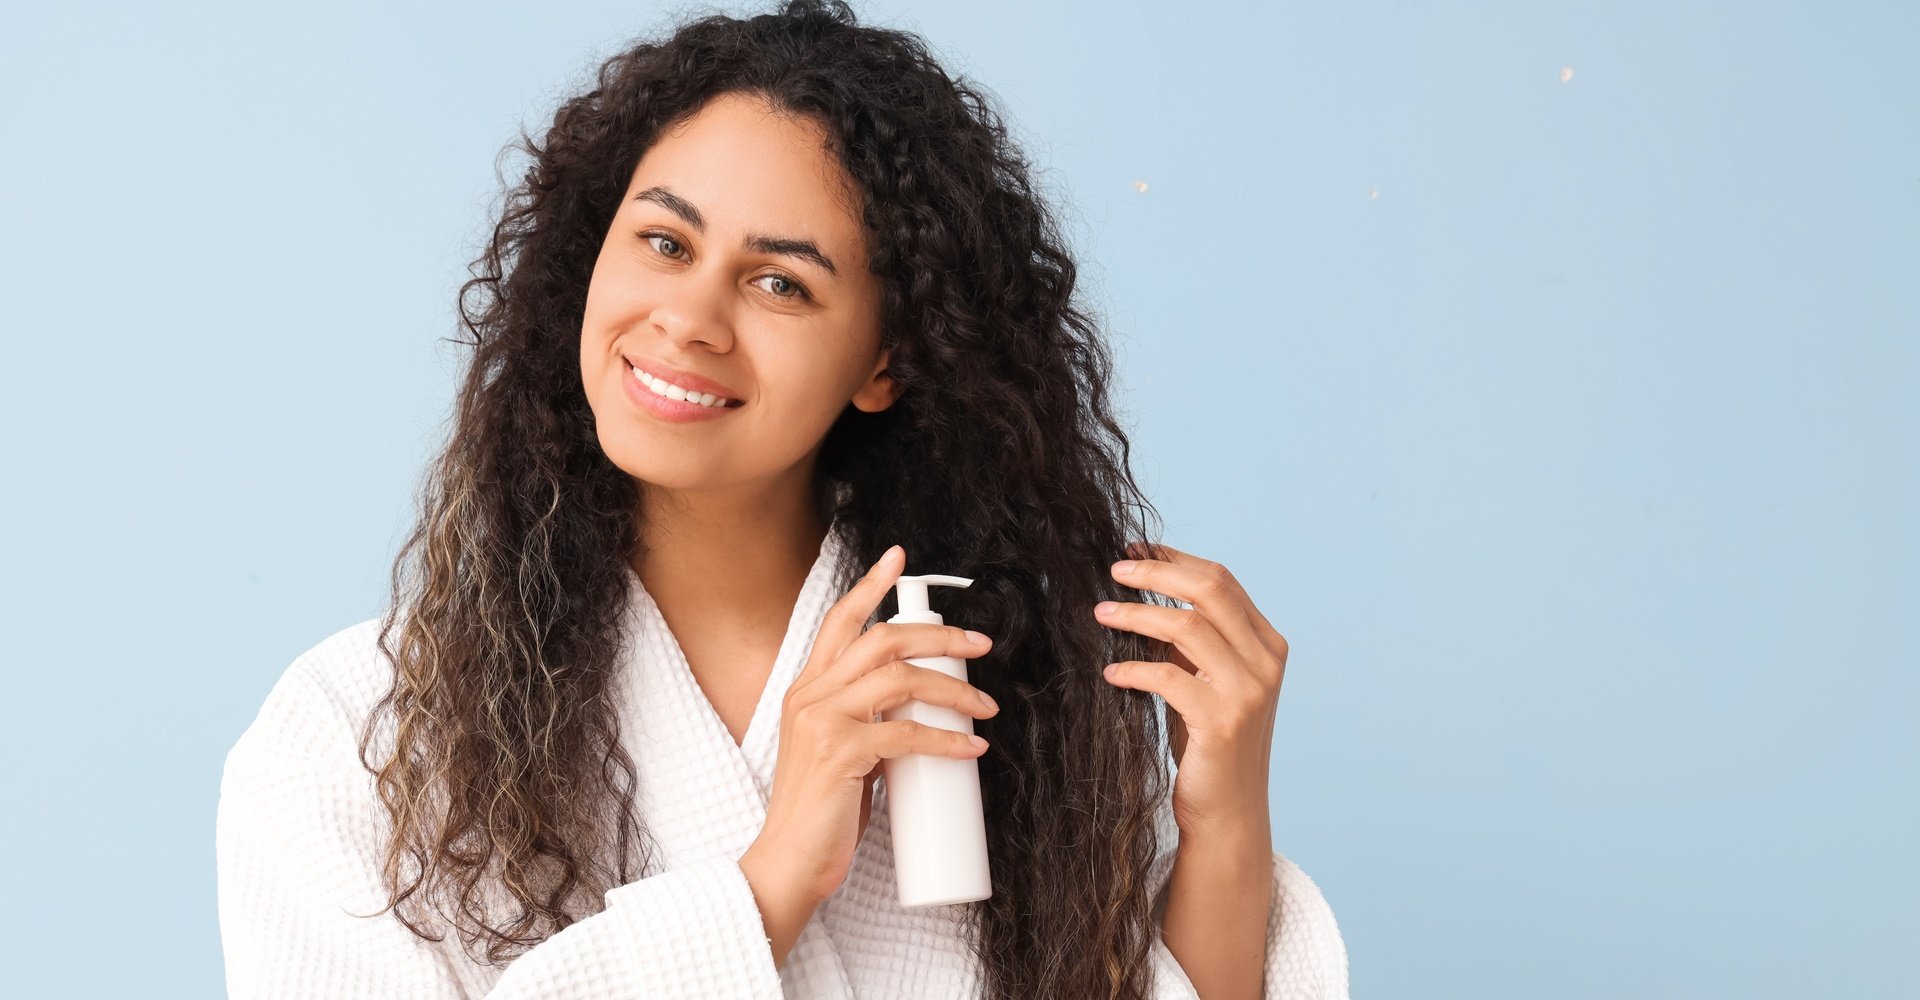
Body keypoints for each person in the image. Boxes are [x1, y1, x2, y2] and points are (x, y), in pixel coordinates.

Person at [215, 2, 1348, 997]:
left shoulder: (1007, 702)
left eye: (780, 283)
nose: (691, 318)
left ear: (887, 361)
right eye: (663, 241)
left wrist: (1224, 819)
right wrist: (771, 879)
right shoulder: (357, 732)